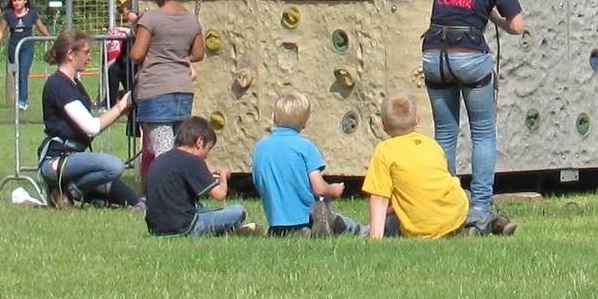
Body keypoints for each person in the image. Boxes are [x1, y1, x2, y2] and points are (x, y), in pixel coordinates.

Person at [424, 0, 526, 233]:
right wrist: (495, 18)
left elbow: (458, 5)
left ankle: (446, 207)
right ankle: (480, 209)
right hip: (468, 53)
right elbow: (517, 25)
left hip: (433, 52)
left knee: (445, 135)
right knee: (482, 132)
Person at [37, 30, 137, 207]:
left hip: (77, 158)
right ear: (70, 54)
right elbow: (91, 127)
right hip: (58, 160)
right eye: (86, 52)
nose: (89, 57)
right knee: (115, 167)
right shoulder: (58, 84)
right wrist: (121, 106)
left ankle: (80, 191)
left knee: (134, 200)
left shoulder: (74, 83)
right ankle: (68, 192)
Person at [129, 0, 204, 182]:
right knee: (181, 148)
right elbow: (198, 53)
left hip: (155, 88)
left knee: (162, 151)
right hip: (183, 88)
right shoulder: (191, 20)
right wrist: (176, 56)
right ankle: (183, 189)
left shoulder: (151, 19)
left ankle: (166, 195)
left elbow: (136, 54)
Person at [363, 94, 478, 239]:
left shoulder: (384, 151)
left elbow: (379, 198)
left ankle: (360, 230)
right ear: (417, 119)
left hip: (420, 229)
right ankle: (475, 223)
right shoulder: (432, 145)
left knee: (387, 224)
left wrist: (375, 237)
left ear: (383, 126)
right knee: (465, 195)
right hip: (455, 214)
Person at [252, 92, 359, 236]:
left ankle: (287, 232)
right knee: (342, 222)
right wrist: (334, 190)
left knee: (284, 230)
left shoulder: (260, 147)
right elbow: (319, 188)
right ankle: (345, 227)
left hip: (275, 220)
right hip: (306, 216)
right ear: (307, 121)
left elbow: (258, 181)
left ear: (273, 117)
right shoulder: (305, 147)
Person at [145, 116, 251, 237]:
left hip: (156, 229)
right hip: (184, 227)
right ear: (200, 142)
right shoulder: (193, 161)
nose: (206, 156)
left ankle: (225, 227)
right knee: (239, 211)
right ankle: (228, 228)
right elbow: (220, 195)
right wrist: (223, 176)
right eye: (208, 149)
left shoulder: (161, 160)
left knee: (201, 207)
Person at [3, 0, 44, 111]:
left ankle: (23, 101)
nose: (17, 3)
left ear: (25, 1)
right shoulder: (8, 15)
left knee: (23, 73)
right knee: (16, 74)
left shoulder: (32, 14)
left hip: (26, 47)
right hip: (13, 47)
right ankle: (19, 97)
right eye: (14, 0)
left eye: (19, 0)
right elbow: (2, 30)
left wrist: (51, 39)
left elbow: (41, 27)